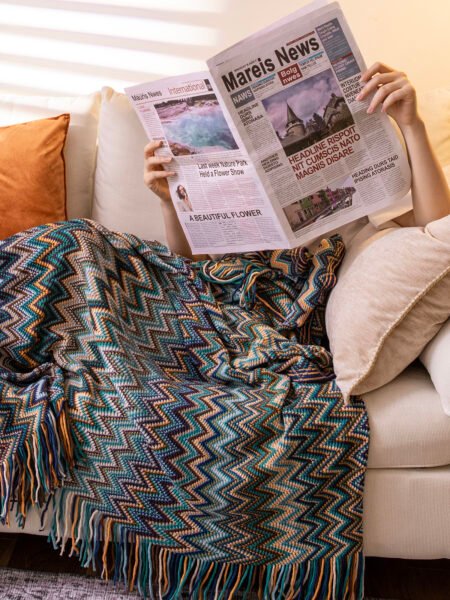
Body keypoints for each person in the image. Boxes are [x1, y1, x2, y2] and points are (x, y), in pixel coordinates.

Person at [143, 63, 450, 260]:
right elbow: (190, 272)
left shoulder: (370, 139)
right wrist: (170, 203)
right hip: (231, 290)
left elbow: (438, 229)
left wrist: (412, 125)